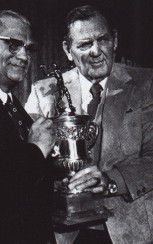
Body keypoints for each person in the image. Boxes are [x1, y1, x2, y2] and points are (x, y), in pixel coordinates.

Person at [25, 5, 153, 244]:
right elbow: (28, 162)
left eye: (102, 40)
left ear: (114, 40)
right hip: (63, 233)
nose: (96, 51)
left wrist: (113, 181)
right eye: (84, 44)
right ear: (67, 49)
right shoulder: (43, 91)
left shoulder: (148, 85)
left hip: (133, 231)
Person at [0, 10, 56, 244]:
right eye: (13, 45)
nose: (24, 56)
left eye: (29, 49)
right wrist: (37, 149)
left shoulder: (9, 102)